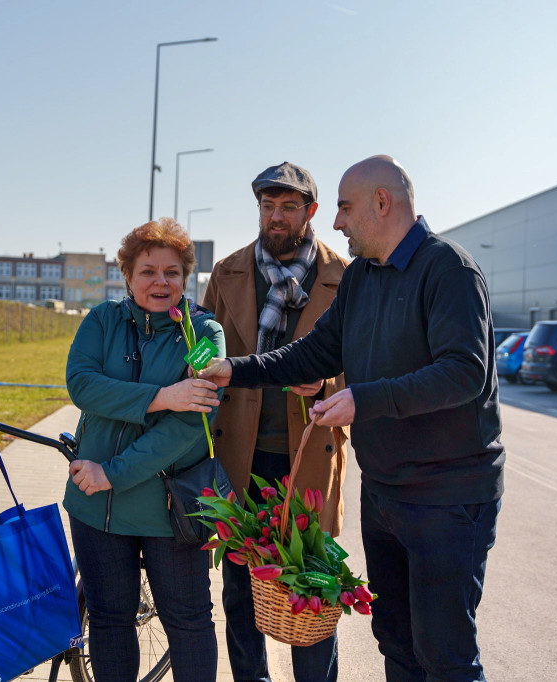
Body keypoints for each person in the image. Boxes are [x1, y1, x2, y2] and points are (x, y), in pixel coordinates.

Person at [198, 156, 505, 682]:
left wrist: (364, 400)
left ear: (382, 203)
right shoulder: (364, 275)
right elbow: (313, 354)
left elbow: (463, 374)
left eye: (344, 207)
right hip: (386, 493)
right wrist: (234, 370)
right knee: (397, 641)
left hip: (447, 498)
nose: (336, 222)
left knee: (445, 652)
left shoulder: (449, 270)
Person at [202, 161, 349, 682]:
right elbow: (203, 351)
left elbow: (365, 361)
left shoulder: (345, 277)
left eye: (288, 207)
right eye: (268, 206)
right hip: (239, 453)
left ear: (311, 212)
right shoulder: (228, 272)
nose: (276, 217)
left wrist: (328, 384)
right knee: (241, 589)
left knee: (310, 585)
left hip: (310, 451)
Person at [65, 217, 225, 682]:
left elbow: (191, 423)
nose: (161, 282)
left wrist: (111, 473)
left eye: (172, 272)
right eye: (148, 271)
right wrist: (162, 397)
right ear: (128, 277)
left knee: (189, 622)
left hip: (169, 512)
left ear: (186, 278)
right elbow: (82, 384)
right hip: (97, 509)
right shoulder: (102, 321)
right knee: (110, 621)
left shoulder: (204, 335)